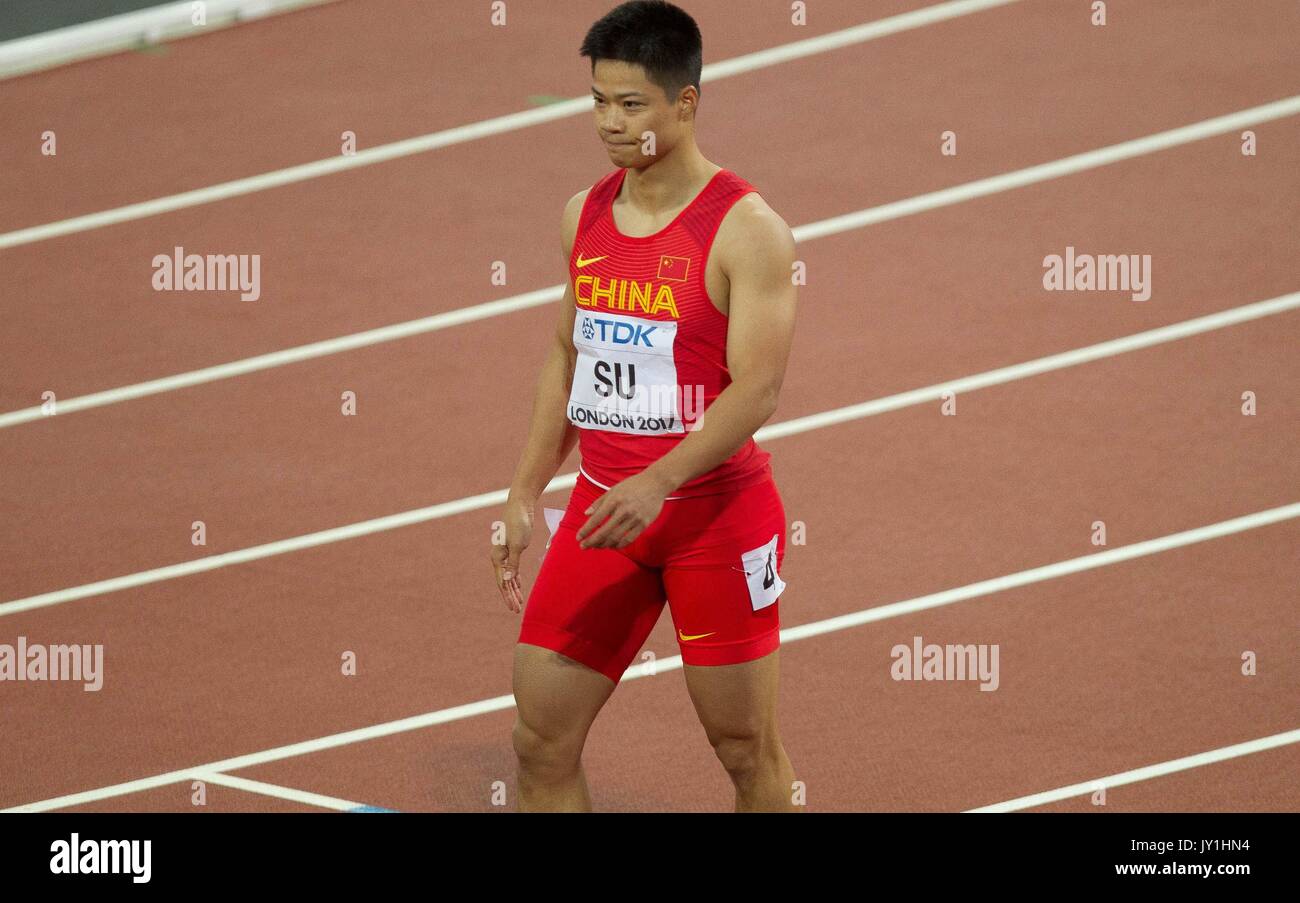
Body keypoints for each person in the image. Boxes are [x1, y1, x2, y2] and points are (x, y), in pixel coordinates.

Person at [490, 0, 799, 812]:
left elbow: (758, 388)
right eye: (598, 100)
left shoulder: (748, 231)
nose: (610, 124)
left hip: (713, 517)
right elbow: (567, 352)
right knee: (538, 738)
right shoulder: (584, 216)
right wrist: (526, 489)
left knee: (744, 748)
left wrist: (657, 482)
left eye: (631, 105)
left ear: (685, 104)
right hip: (604, 511)